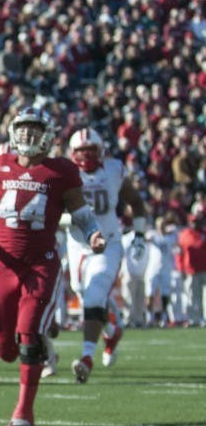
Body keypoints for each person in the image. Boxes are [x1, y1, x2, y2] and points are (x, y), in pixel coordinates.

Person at [0, 107, 106, 426]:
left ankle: (23, 411)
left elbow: (81, 212)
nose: (28, 136)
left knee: (28, 334)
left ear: (47, 135)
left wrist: (94, 232)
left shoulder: (60, 171)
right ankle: (44, 326)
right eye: (24, 129)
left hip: (41, 265)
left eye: (35, 130)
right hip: (6, 264)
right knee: (3, 343)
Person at [62, 128, 148, 382]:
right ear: (72, 154)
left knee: (95, 295)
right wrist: (67, 219)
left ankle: (87, 357)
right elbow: (54, 211)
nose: (86, 157)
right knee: (82, 291)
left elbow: (137, 202)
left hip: (107, 243)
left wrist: (140, 235)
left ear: (101, 152)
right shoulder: (65, 173)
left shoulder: (113, 170)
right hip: (77, 245)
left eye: (91, 151)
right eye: (81, 152)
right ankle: (111, 331)